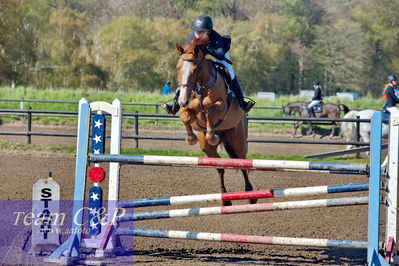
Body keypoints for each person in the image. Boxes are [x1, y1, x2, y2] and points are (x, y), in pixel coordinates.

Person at [161, 14, 254, 115]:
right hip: (201, 58)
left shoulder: (215, 37)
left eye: (201, 32)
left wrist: (207, 46)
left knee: (230, 73)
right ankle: (175, 105)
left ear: (208, 31)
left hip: (218, 54)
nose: (197, 34)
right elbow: (188, 54)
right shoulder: (191, 37)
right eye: (196, 30)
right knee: (187, 73)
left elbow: (220, 55)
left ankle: (242, 103)